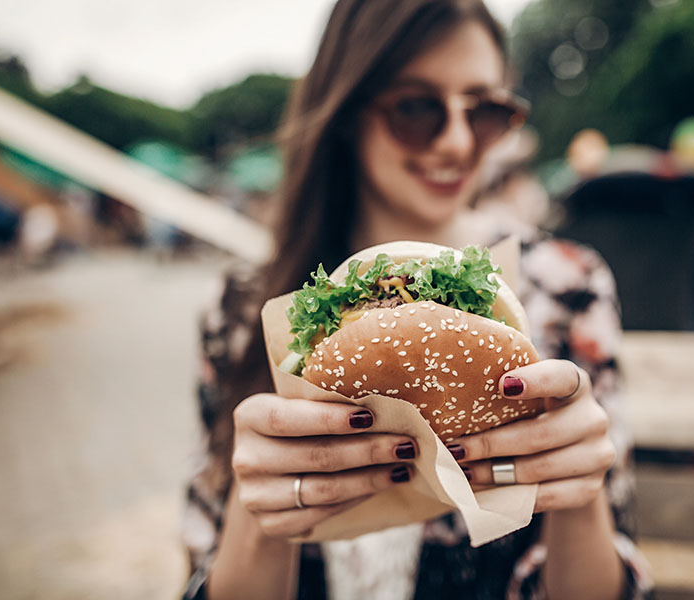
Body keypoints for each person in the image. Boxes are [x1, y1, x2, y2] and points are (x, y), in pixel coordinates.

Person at [182, 1, 653, 599]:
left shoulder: (567, 287)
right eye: (416, 108)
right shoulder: (242, 311)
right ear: (349, 111)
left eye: (484, 111)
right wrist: (260, 516)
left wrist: (580, 497)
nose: (457, 142)